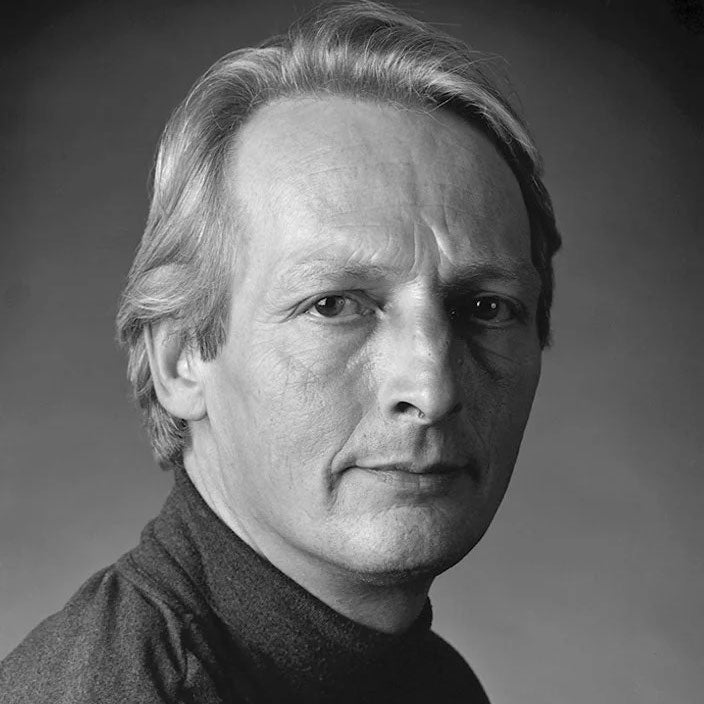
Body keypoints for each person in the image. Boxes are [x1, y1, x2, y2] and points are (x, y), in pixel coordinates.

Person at [0, 2, 561, 702]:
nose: (432, 386)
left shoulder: (429, 680)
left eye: (486, 308)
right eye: (333, 305)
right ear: (180, 358)